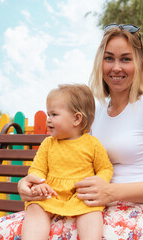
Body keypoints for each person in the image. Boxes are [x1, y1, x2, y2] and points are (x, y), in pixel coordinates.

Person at [0, 23, 143, 240]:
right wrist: (26, 184)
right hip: (88, 206)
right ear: (100, 62)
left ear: (140, 63)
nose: (116, 67)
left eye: (125, 59)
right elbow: (71, 159)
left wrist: (111, 192)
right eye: (109, 58)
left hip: (140, 209)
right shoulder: (95, 111)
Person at [21, 84, 113, 240]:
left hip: (80, 195)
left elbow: (106, 168)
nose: (48, 120)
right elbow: (37, 169)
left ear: (76, 119)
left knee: (92, 212)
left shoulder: (92, 144)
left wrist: (98, 180)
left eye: (54, 115)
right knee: (35, 208)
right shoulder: (48, 144)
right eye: (48, 114)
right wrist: (39, 182)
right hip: (51, 194)